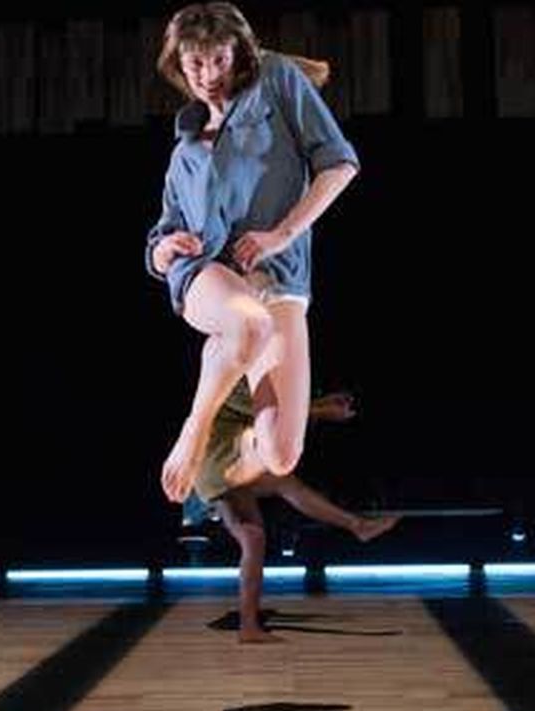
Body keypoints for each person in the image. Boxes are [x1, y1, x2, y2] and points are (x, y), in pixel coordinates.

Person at [146, 3, 360, 506]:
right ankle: (195, 431)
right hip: (208, 274)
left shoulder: (277, 83)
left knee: (283, 453)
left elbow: (340, 165)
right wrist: (165, 251)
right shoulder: (185, 151)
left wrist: (282, 233)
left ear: (238, 54)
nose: (208, 76)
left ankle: (231, 437)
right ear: (179, 65)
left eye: (218, 61)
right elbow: (161, 238)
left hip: (280, 278)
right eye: (195, 65)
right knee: (248, 323)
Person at [190, 382, 400, 643]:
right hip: (221, 466)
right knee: (284, 484)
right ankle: (357, 526)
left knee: (254, 539)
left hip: (218, 469)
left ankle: (248, 627)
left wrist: (323, 405)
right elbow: (268, 415)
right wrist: (323, 411)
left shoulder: (246, 372)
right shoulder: (235, 374)